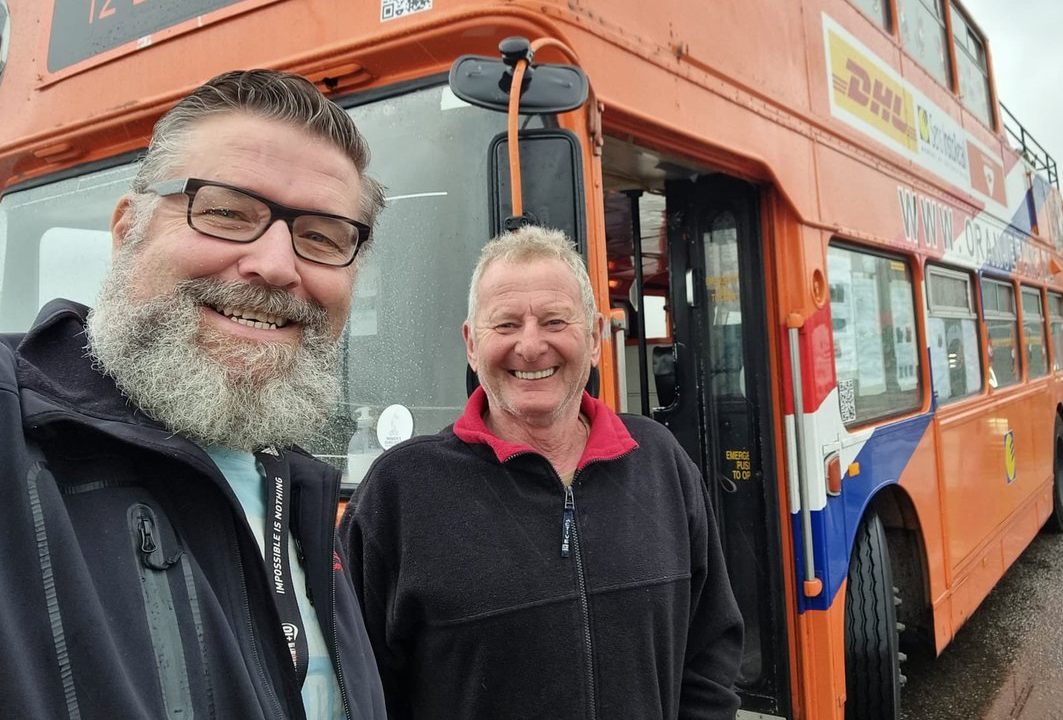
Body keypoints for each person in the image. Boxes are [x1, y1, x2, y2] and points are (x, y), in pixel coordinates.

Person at [0, 70, 388, 720]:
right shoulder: (18, 430)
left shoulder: (301, 489)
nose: (277, 264)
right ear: (128, 230)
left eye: (322, 237)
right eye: (226, 212)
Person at [339, 224, 744, 719]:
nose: (530, 347)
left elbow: (709, 652)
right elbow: (358, 691)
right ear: (471, 343)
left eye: (554, 321)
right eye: (505, 325)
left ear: (595, 337)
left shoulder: (660, 462)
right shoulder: (398, 494)